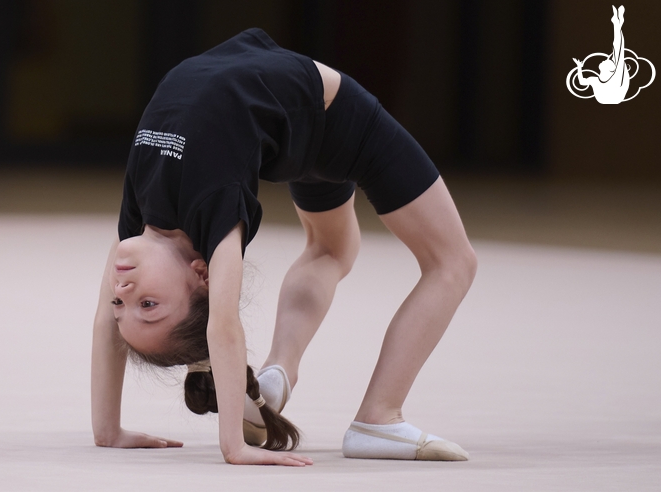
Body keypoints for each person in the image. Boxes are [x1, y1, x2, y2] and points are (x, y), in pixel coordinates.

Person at [91, 28, 477, 467]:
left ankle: (276, 375)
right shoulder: (214, 210)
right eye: (147, 303)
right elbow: (223, 324)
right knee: (454, 262)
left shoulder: (139, 221)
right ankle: (378, 418)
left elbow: (105, 320)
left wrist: (107, 431)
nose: (121, 291)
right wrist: (232, 446)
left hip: (289, 128)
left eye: (124, 303)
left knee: (331, 250)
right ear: (202, 275)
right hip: (333, 118)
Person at [574, 5, 629, 104]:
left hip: (612, 96)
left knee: (618, 51)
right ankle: (617, 24)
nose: (606, 59)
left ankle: (617, 24)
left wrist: (579, 67)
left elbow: (582, 82)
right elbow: (619, 52)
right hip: (613, 97)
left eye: (608, 61)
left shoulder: (599, 80)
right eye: (609, 61)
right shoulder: (606, 79)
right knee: (618, 52)